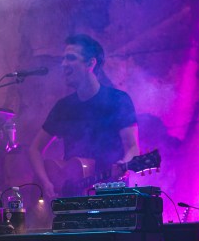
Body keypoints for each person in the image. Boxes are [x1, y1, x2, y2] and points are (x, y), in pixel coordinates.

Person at [28, 34, 140, 200]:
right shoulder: (63, 107)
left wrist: (124, 165)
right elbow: (34, 149)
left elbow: (133, 147)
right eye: (63, 59)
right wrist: (46, 183)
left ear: (90, 63)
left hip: (109, 195)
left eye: (71, 58)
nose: (64, 64)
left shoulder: (118, 100)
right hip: (72, 198)